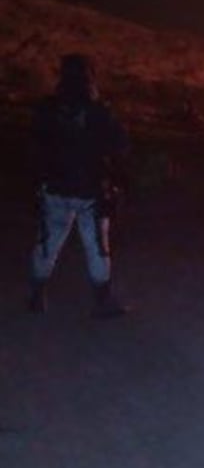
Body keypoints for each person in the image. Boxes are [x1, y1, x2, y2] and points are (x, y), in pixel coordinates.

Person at [26, 54, 129, 318]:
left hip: (56, 189)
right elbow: (119, 146)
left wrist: (39, 181)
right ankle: (102, 300)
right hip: (90, 191)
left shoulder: (47, 109)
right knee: (96, 246)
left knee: (48, 243)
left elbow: (35, 147)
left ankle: (37, 295)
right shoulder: (99, 111)